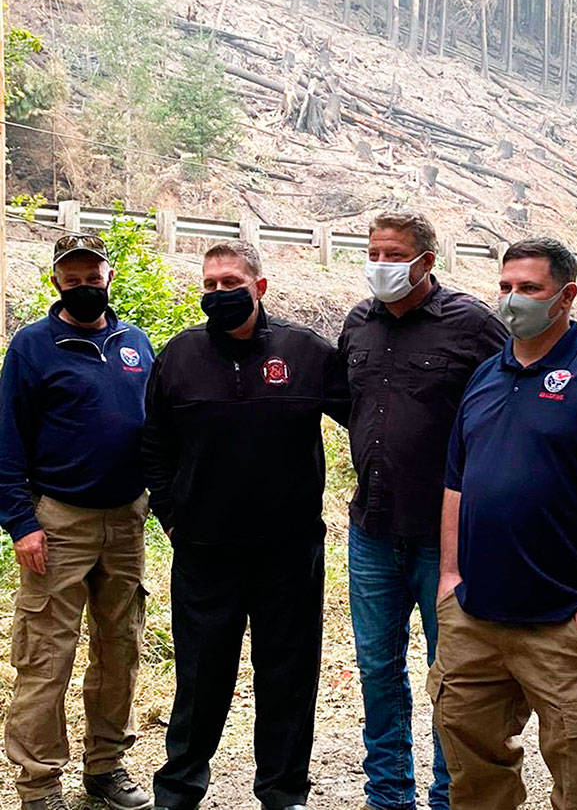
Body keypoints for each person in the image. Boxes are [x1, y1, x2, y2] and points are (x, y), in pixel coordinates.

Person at [429, 237, 577, 810]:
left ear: (566, 296)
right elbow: (456, 481)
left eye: (529, 289)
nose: (512, 300)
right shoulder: (484, 378)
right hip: (474, 619)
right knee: (473, 776)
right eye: (505, 287)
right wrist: (449, 580)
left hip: (564, 622)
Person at [143, 240, 350, 810]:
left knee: (288, 675)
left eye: (230, 283)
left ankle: (284, 792)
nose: (218, 293)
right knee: (200, 678)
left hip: (289, 553)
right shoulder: (179, 356)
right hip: (205, 551)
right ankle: (180, 789)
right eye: (209, 285)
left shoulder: (305, 351)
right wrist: (172, 515)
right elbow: (155, 442)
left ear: (259, 287)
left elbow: (369, 419)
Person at [338, 211, 507, 810]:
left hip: (448, 540)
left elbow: (510, 397)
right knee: (378, 670)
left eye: (393, 254)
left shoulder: (472, 325)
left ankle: (449, 794)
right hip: (373, 532)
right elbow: (348, 405)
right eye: (373, 251)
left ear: (426, 262)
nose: (380, 263)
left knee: (453, 677)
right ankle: (388, 794)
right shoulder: (357, 323)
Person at [0, 234, 155, 810]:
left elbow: (157, 427)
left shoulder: (134, 342)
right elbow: (7, 440)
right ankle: (39, 786)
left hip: (127, 521)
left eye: (94, 275)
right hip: (58, 523)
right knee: (45, 656)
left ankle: (106, 767)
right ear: (56, 283)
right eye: (73, 277)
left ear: (109, 277)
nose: (85, 285)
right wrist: (21, 522)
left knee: (121, 649)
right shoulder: (33, 346)